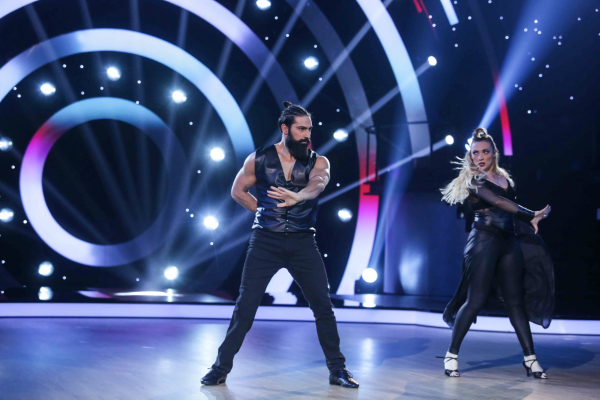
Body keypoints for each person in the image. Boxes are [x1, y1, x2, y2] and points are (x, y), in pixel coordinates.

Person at [201, 101, 359, 388]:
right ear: (285, 129)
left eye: (309, 129)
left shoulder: (318, 161)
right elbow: (238, 191)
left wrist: (299, 196)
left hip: (303, 242)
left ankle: (337, 370)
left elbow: (318, 183)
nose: (307, 135)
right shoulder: (259, 159)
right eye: (301, 129)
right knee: (245, 308)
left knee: (323, 307)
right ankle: (220, 368)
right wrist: (262, 210)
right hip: (265, 242)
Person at [439, 128, 555, 379]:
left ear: (494, 153)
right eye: (475, 153)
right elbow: (500, 203)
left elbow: (507, 205)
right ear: (470, 155)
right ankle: (451, 354)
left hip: (508, 242)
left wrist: (527, 220)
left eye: (485, 152)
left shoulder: (504, 179)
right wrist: (531, 215)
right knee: (476, 300)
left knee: (515, 302)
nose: (480, 157)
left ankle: (530, 359)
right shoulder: (474, 181)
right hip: (484, 241)